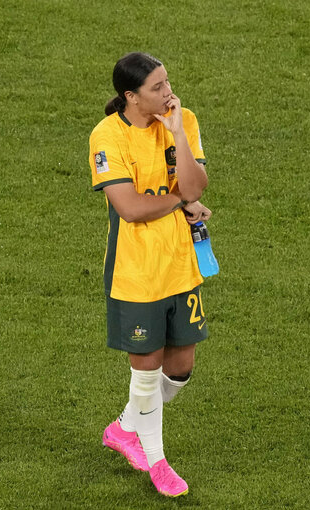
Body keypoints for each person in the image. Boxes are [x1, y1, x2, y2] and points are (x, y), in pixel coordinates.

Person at [88, 52, 212, 496]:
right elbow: (132, 208)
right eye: (156, 88)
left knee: (180, 368)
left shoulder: (183, 120)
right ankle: (157, 463)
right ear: (131, 96)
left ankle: (124, 427)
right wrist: (179, 200)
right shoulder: (107, 137)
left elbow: (196, 187)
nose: (168, 93)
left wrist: (177, 131)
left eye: (167, 82)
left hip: (181, 265)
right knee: (146, 371)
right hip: (136, 272)